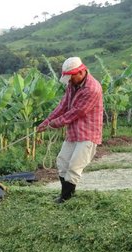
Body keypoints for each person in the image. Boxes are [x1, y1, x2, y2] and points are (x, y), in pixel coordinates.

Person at [36, 57, 103, 203]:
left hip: (88, 132)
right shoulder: (72, 84)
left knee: (74, 166)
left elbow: (76, 112)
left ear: (80, 72)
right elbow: (63, 105)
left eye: (70, 77)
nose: (69, 81)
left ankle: (65, 197)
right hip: (74, 131)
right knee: (62, 161)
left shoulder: (92, 89)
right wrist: (46, 121)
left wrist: (54, 124)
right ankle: (65, 194)